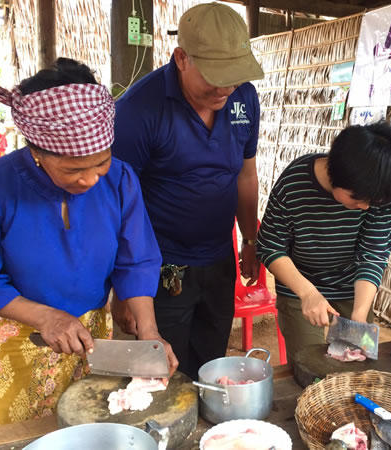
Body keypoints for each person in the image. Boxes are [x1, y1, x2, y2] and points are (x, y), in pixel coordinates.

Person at [0, 58, 177, 427]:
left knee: (98, 422)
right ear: (36, 151)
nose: (91, 180)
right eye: (72, 170)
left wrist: (149, 332)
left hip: (95, 332)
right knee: (34, 434)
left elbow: (137, 259)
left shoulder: (121, 179)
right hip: (21, 338)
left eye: (101, 163)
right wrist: (46, 317)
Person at [111, 3, 264, 380]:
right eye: (215, 75)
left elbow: (246, 173)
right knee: (160, 372)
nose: (225, 88)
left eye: (234, 75)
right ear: (181, 58)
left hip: (219, 258)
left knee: (210, 363)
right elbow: (116, 204)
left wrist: (249, 239)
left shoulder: (243, 98)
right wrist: (124, 289)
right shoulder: (138, 111)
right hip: (159, 266)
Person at [256, 123, 391, 365]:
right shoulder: (293, 184)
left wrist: (359, 314)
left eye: (373, 201)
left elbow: (373, 251)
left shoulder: (380, 190)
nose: (366, 207)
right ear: (334, 171)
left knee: (358, 365)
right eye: (358, 199)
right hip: (299, 284)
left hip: (353, 286)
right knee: (310, 365)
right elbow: (270, 245)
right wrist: (307, 293)